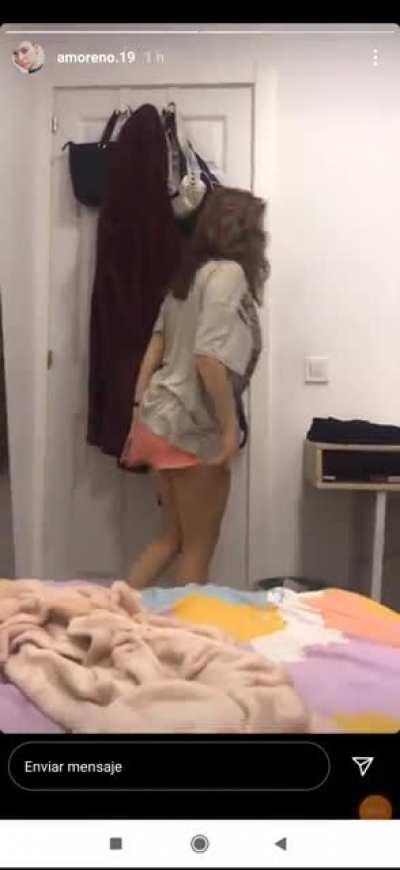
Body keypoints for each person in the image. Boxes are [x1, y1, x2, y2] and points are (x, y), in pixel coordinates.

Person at [120, 186, 269, 587]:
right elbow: (208, 357)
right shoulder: (229, 274)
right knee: (199, 548)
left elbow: (156, 344)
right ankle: (185, 628)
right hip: (190, 426)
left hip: (157, 419)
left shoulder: (187, 278)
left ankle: (112, 609)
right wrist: (229, 430)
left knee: (171, 538)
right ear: (244, 231)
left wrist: (137, 411)